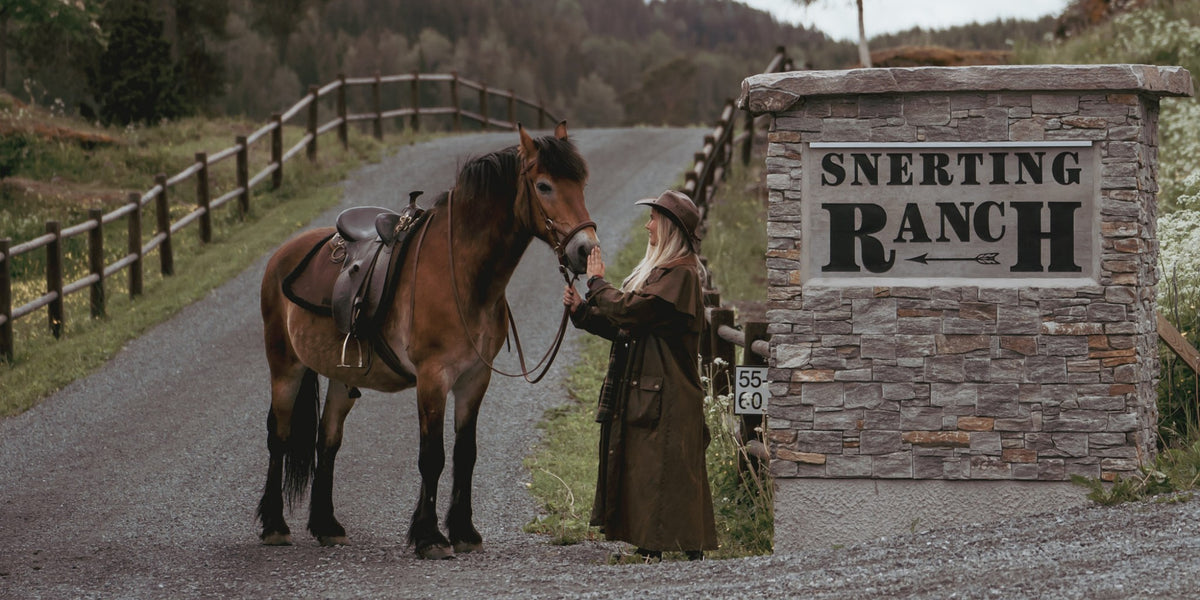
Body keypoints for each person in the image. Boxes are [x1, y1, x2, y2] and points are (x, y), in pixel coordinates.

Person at [562, 189, 718, 562]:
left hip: (669, 394)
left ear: (669, 228)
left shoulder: (681, 275)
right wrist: (584, 312)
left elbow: (631, 312)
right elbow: (629, 327)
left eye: (654, 219)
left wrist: (598, 284)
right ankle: (659, 551)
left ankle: (657, 552)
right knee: (651, 469)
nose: (648, 225)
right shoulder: (667, 273)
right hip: (656, 390)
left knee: (661, 471)